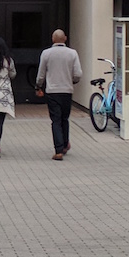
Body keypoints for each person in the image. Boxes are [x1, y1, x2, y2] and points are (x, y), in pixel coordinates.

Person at [35, 29, 83, 161]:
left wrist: (38, 86)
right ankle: (65, 144)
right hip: (67, 90)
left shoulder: (46, 53)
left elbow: (41, 73)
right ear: (65, 38)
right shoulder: (73, 53)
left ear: (53, 39)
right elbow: (78, 73)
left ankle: (58, 150)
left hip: (52, 91)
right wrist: (73, 81)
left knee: (55, 120)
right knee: (64, 118)